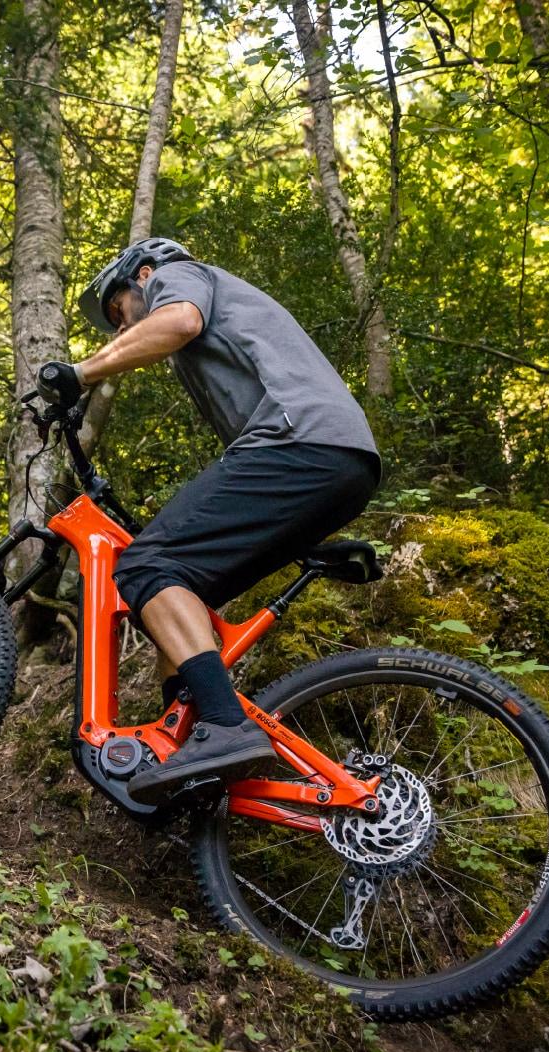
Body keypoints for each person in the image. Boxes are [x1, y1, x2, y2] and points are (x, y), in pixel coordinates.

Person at [35, 238, 382, 805]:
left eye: (119, 313)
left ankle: (223, 726)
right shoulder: (225, 326)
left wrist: (82, 372)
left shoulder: (178, 277)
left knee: (145, 563)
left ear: (142, 276)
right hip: (336, 458)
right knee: (175, 592)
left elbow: (178, 322)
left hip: (299, 441)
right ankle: (193, 735)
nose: (119, 329)